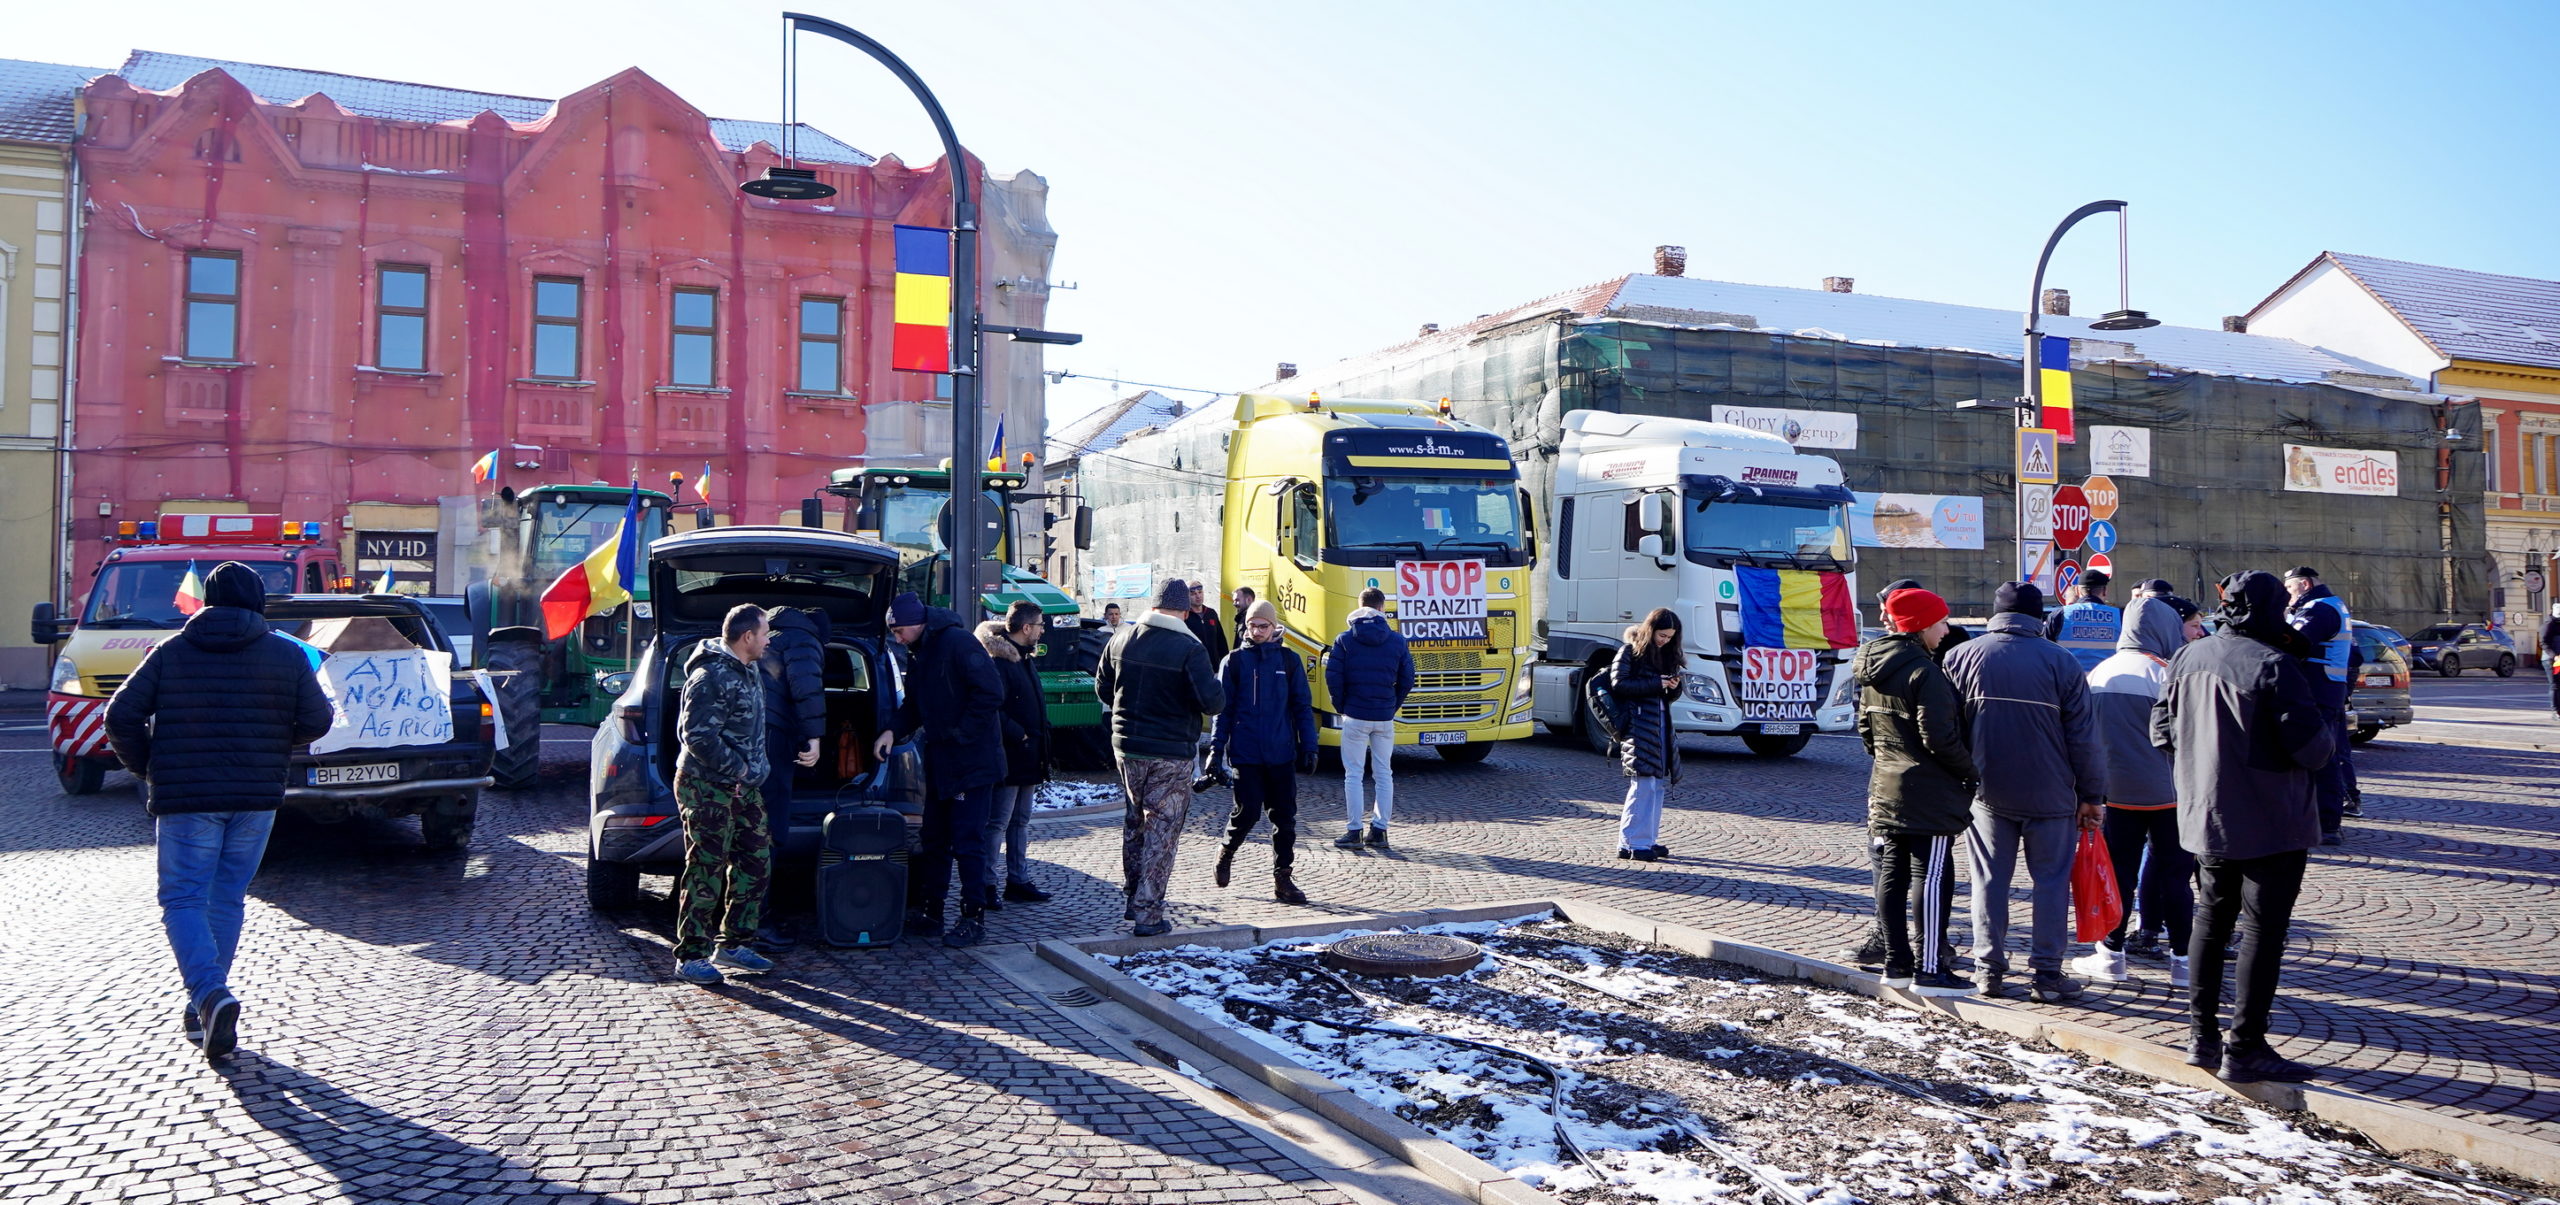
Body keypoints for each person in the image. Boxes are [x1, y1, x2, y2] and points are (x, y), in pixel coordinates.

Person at [104, 562, 332, 1058]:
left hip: (187, 799)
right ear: (257, 603)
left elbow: (119, 715)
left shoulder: (171, 651)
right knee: (226, 897)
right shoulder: (287, 655)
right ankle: (203, 1004)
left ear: (206, 602)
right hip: (255, 797)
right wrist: (274, 745)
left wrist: (148, 767)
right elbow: (319, 718)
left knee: (184, 899)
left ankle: (209, 995)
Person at [2154, 570, 2336, 1083]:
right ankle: (2246, 1046)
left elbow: (2161, 730)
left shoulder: (2190, 655)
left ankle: (2202, 1038)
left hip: (2207, 812)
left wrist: (2200, 765)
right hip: (2270, 820)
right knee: (2261, 931)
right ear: (2273, 610)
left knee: (2211, 923)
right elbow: (2314, 751)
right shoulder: (2275, 665)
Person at [1942, 582, 2106, 1003]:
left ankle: (1988, 970)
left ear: (1995, 613)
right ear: (2039, 618)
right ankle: (2047, 976)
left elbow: (1948, 732)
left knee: (1989, 880)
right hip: (2052, 794)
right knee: (2051, 882)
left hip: (1986, 792)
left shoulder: (1960, 657)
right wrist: (2092, 794)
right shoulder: (2062, 662)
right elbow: (2084, 738)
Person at [1853, 587, 1979, 997]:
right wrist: (1969, 772)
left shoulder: (1874, 668)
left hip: (1887, 784)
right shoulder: (1925, 672)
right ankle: (1929, 970)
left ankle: (1897, 963)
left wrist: (1891, 760)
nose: (1946, 629)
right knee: (1932, 875)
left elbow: (1867, 732)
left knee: (1891, 873)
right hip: (1928, 790)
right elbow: (1939, 738)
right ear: (1921, 624)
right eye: (1941, 621)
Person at [2069, 596, 2193, 989]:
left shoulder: (2099, 672)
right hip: (2170, 793)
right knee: (2176, 877)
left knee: (2118, 874)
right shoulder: (2168, 672)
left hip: (2115, 794)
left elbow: (2084, 738)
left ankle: (2111, 955)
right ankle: (2184, 961)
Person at [1094, 577, 1226, 936]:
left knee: (1134, 821)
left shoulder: (1121, 637)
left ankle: (1131, 897)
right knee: (1162, 832)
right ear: (1184, 611)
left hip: (1126, 747)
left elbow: (1103, 686)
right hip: (1169, 752)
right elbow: (1211, 701)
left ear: (1153, 606)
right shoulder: (1189, 647)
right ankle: (1148, 913)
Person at [888, 591, 1007, 947]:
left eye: (900, 632)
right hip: (943, 759)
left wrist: (961, 733)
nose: (897, 639)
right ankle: (932, 912)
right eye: (894, 633)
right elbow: (913, 704)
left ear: (918, 623)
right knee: (935, 838)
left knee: (968, 841)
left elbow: (990, 692)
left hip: (972, 761)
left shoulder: (957, 642)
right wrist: (891, 732)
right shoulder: (920, 649)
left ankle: (973, 918)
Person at [670, 605, 778, 986]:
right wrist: (741, 769)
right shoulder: (710, 675)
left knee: (756, 860)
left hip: (741, 787)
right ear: (747, 637)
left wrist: (752, 773)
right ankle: (691, 954)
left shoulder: (748, 669)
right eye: (765, 633)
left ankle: (734, 943)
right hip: (705, 786)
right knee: (706, 868)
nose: (768, 640)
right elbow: (697, 736)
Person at [1208, 600, 1319, 904]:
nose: (1256, 631)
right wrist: (1216, 752)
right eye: (1252, 625)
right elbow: (1223, 711)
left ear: (1274, 628)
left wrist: (1309, 745)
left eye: (1263, 626)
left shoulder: (1288, 660)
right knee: (1248, 813)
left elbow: (1301, 707)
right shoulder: (1234, 662)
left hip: (1281, 752)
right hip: (1246, 754)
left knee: (1285, 819)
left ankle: (1283, 878)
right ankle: (1226, 851)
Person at [753, 606, 828, 951]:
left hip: (751, 737)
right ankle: (756, 921)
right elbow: (806, 688)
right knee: (769, 828)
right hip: (775, 738)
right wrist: (813, 738)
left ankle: (740, 915)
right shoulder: (804, 640)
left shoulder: (770, 638)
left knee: (750, 825)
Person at [978, 600, 1055, 907]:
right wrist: (1017, 732)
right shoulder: (1000, 661)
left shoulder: (1023, 657)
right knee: (998, 822)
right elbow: (990, 706)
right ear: (1026, 628)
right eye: (1040, 625)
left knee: (1020, 821)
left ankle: (1017, 881)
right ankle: (986, 884)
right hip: (1010, 754)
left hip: (1029, 752)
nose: (1042, 630)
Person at [1327, 586, 1415, 848]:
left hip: (1355, 714)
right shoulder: (1397, 640)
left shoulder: (1345, 639)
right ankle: (1380, 830)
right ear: (1382, 608)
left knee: (1353, 774)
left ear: (1359, 605)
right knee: (1383, 774)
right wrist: (1392, 705)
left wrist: (1343, 706)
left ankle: (1354, 830)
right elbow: (1408, 679)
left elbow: (1334, 677)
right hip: (1383, 716)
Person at [2282, 566, 2354, 844]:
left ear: (2305, 584)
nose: (2286, 594)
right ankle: (2325, 822)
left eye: (2289, 588)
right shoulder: (2331, 605)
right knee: (2324, 756)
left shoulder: (2318, 609)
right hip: (2327, 690)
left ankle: (2326, 824)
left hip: (2318, 691)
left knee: (2318, 758)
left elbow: (2292, 643)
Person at [1609, 608, 1685, 862]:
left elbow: (1666, 696)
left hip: (1658, 725)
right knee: (1643, 785)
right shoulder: (1629, 651)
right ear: (1650, 630)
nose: (1665, 640)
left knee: (1655, 785)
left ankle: (1646, 839)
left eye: (1670, 637)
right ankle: (1632, 843)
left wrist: (1674, 687)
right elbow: (1618, 684)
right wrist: (1657, 684)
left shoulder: (1666, 655)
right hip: (1638, 727)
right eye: (1662, 635)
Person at [2044, 570, 2122, 673]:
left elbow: (2045, 653)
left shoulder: (2060, 615)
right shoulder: (2120, 616)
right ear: (2104, 591)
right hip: (2107, 682)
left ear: (2077, 590)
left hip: (2069, 682)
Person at [1184, 580, 1227, 651]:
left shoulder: (1211, 613)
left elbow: (1221, 639)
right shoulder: (1184, 615)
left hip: (1213, 661)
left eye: (1200, 592)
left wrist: (1225, 658)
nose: (1198, 596)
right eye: (1193, 594)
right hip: (1195, 660)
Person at [2544, 603, 2560, 715]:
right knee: (2555, 684)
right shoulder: (2548, 625)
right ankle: (2555, 710)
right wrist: (2554, 656)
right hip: (2550, 659)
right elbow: (2544, 643)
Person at [1230, 586, 1259, 651]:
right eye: (1234, 601)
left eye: (1237, 600)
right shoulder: (1242, 618)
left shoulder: (1251, 620)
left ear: (1249, 600)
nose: (1234, 604)